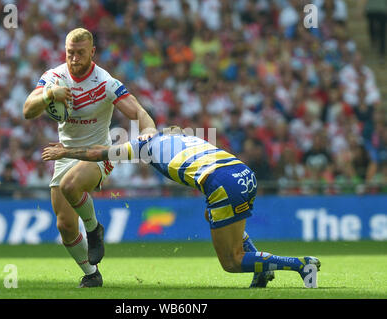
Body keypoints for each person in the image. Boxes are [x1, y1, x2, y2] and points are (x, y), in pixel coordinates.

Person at [42, 126, 321, 288]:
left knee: (231, 262)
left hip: (222, 183)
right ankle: (262, 269)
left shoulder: (142, 146)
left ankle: (299, 265)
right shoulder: (182, 136)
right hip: (242, 172)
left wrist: (65, 152)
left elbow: (96, 154)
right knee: (214, 219)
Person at [23, 28, 156, 288]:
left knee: (70, 185)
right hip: (65, 154)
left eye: (80, 53)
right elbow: (28, 110)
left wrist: (149, 130)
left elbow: (137, 110)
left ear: (92, 52)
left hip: (99, 153)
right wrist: (50, 95)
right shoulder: (53, 78)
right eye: (70, 53)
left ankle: (94, 229)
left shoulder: (105, 82)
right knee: (65, 226)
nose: (74, 58)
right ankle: (92, 273)